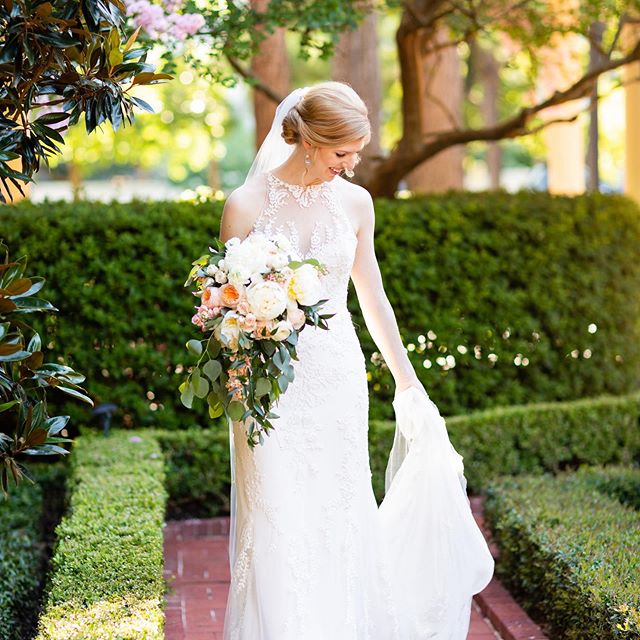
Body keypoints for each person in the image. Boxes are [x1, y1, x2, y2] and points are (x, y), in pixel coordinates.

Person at [218, 81, 494, 640]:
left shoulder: (356, 202)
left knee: (340, 509)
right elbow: (224, 306)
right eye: (342, 154)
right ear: (310, 142)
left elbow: (372, 295)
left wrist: (408, 383)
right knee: (275, 513)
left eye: (356, 155)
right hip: (268, 388)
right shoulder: (244, 205)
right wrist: (241, 389)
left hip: (337, 377)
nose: (350, 166)